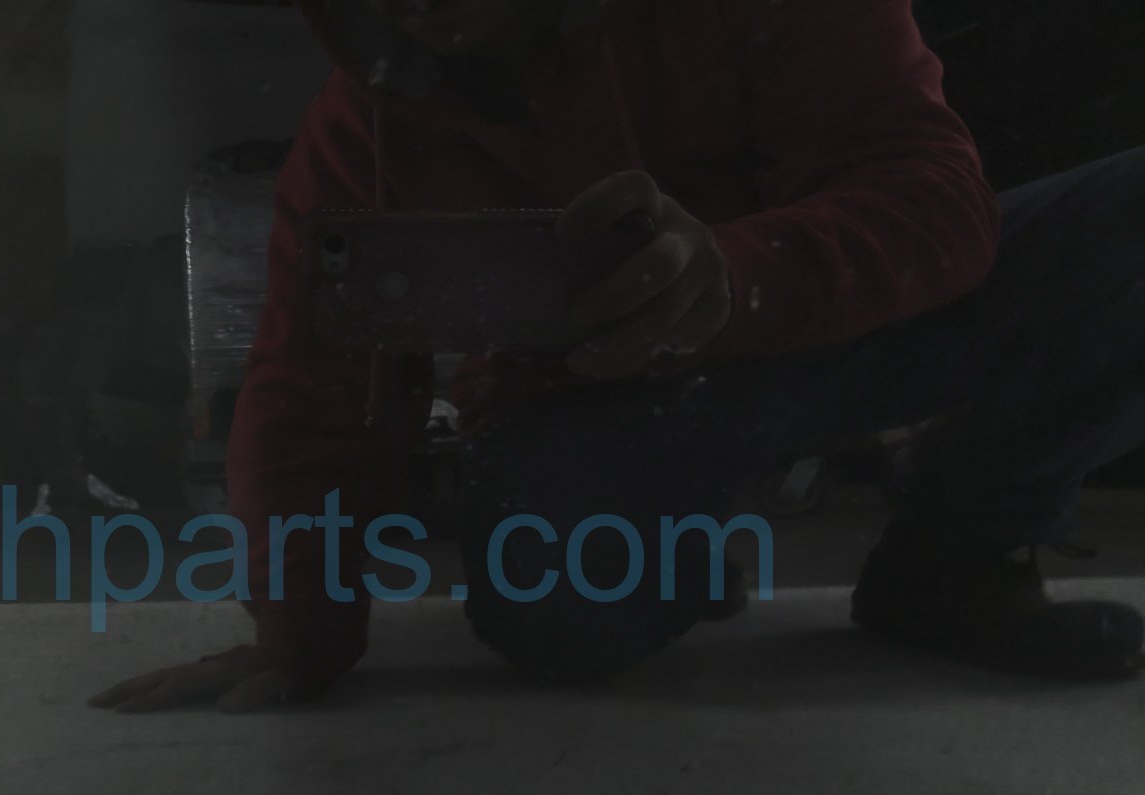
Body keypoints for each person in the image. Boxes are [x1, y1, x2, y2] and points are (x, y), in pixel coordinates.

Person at [92, 0, 1145, 714]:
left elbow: (939, 204)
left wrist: (735, 276)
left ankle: (956, 557)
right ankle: (685, 544)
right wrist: (299, 631)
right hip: (596, 400)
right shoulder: (367, 124)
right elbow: (317, 382)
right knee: (562, 619)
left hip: (830, 325)